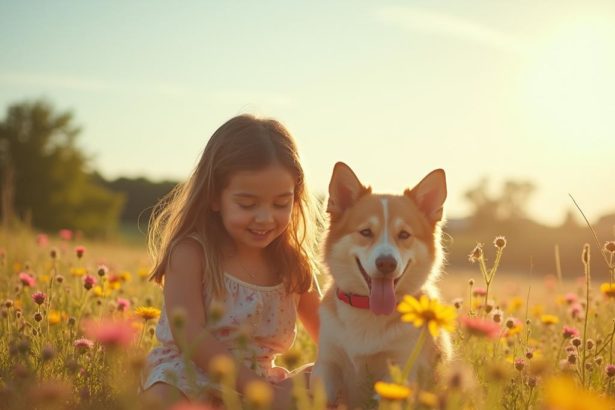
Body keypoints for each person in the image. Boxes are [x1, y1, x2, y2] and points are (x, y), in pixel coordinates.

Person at [140, 114, 322, 408]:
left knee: (327, 380)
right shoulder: (191, 253)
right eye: (247, 204)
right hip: (191, 378)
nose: (265, 218)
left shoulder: (293, 264)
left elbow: (332, 336)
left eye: (280, 203)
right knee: (164, 399)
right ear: (214, 197)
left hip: (263, 380)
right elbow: (190, 337)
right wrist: (269, 395)